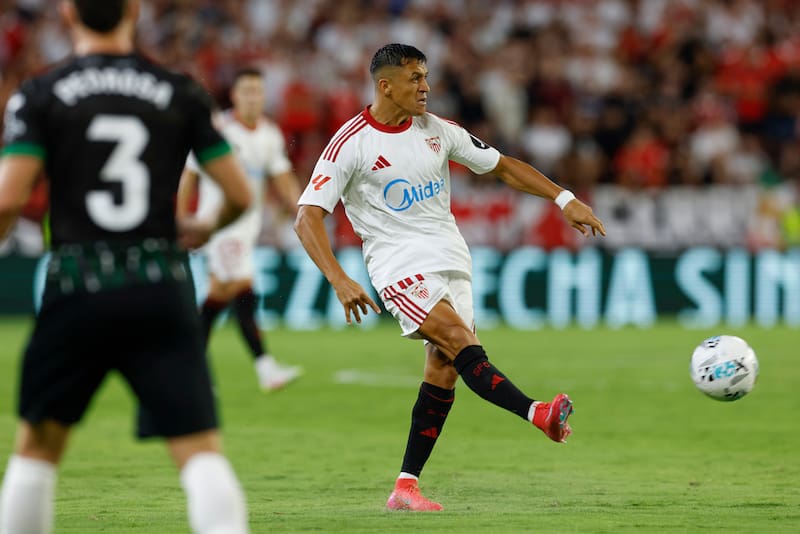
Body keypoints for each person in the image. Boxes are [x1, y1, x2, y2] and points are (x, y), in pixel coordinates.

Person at [294, 43, 606, 512]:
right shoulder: (351, 144)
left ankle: (405, 486)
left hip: (452, 260)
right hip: (398, 266)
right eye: (415, 78)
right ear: (386, 85)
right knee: (461, 340)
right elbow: (307, 218)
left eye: (426, 76)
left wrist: (564, 199)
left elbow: (503, 167)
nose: (425, 86)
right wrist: (339, 278)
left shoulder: (439, 131)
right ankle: (537, 413)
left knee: (444, 369)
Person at [0, 1, 251, 532]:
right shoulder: (180, 92)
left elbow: (7, 201)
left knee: (36, 449)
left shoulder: (40, 93)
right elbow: (237, 193)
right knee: (200, 452)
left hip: (77, 282)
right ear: (133, 11)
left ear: (68, 13)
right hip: (160, 282)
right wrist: (204, 226)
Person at [177, 68, 303, 392]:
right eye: (246, 91)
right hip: (218, 225)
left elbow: (283, 178)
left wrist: (303, 210)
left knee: (218, 297)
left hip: (247, 228)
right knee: (243, 289)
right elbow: (189, 175)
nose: (252, 97)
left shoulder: (270, 135)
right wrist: (180, 218)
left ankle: (190, 368)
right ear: (233, 95)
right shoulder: (217, 130)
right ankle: (266, 368)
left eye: (257, 91)